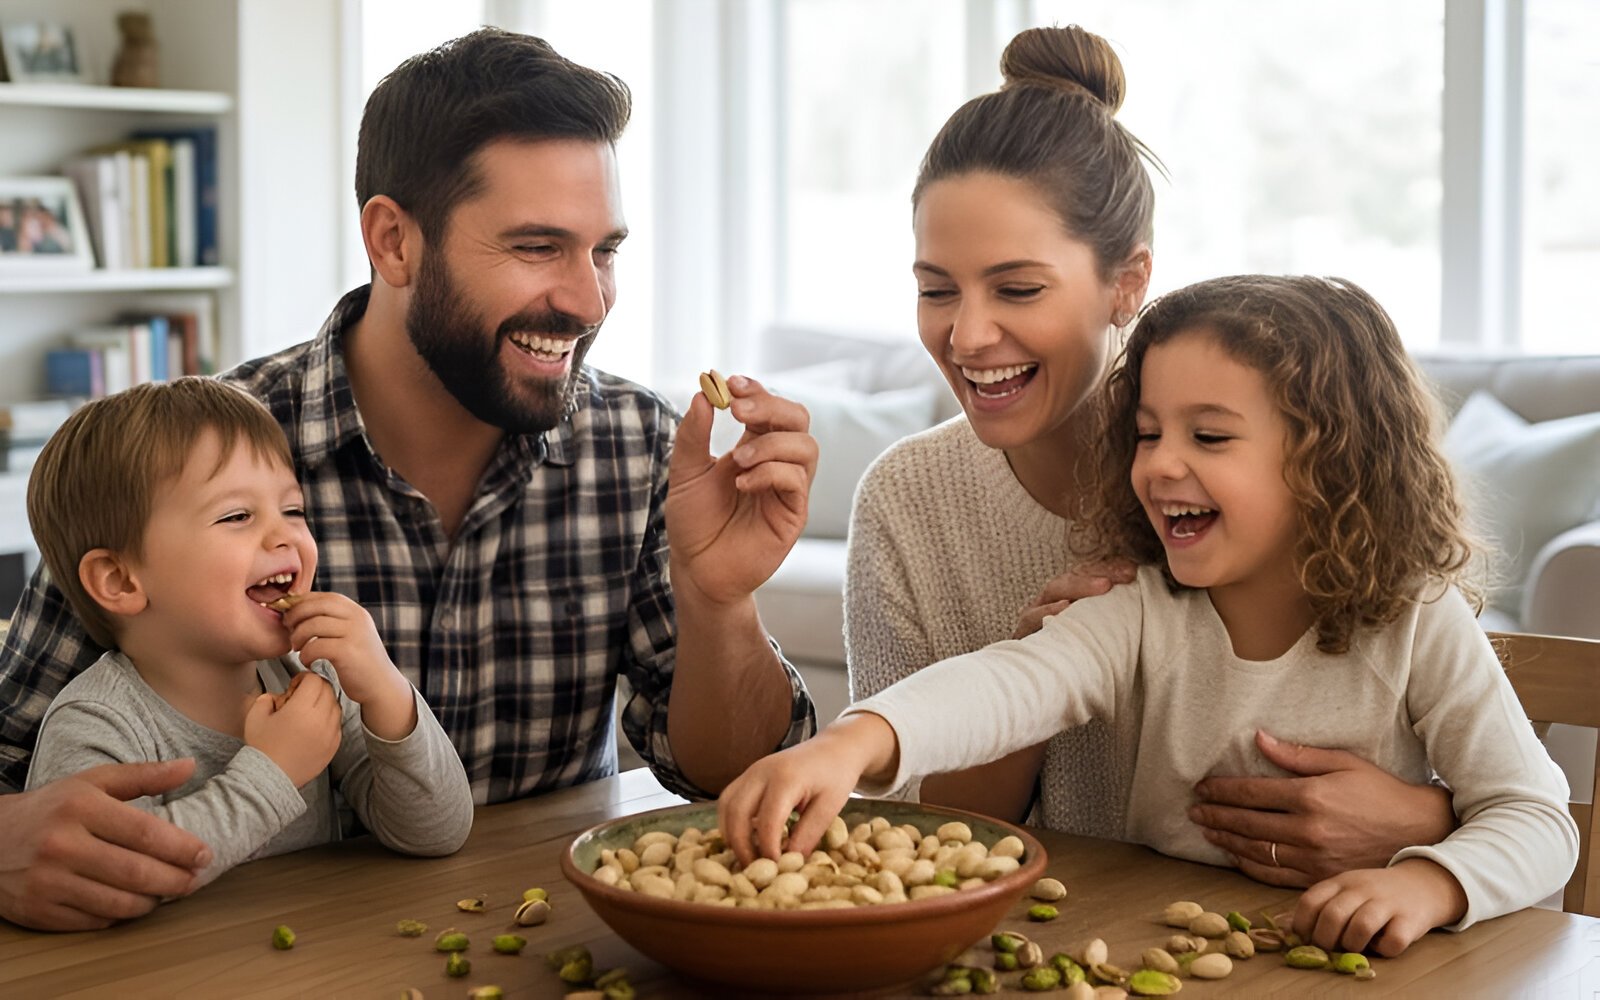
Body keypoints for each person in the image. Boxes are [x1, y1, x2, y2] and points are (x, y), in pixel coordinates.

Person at [0, 28, 817, 931]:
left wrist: (720, 600)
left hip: (537, 941)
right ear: (393, 241)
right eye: (538, 246)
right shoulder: (187, 459)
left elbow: (730, 779)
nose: (589, 303)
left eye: (605, 251)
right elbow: (14, 757)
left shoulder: (638, 445)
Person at [723, 273, 1577, 957]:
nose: (1162, 465)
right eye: (1146, 433)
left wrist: (1431, 884)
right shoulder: (1139, 605)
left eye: (1209, 438)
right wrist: (853, 741)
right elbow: (1011, 683)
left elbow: (1536, 816)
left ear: (1329, 465)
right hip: (1156, 949)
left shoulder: (1416, 618)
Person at [845, 23, 1456, 884]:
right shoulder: (908, 499)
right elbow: (910, 836)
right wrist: (1022, 685)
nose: (968, 335)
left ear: (1127, 283)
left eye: (1018, 288)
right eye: (935, 290)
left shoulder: (1249, 479)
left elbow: (1450, 721)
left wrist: (1428, 820)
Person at [23, 378, 473, 902]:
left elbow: (436, 833)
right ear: (121, 581)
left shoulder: (313, 676)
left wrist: (387, 694)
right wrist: (275, 772)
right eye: (237, 516)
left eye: (293, 510)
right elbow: (114, 876)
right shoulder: (95, 724)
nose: (285, 536)